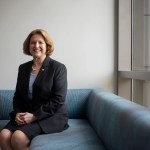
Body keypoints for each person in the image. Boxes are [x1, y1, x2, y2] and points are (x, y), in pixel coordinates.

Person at [0, 29, 69, 150]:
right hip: (27, 114)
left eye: (40, 42)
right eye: (33, 42)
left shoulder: (58, 68)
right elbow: (18, 96)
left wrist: (35, 116)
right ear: (28, 46)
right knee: (3, 135)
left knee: (18, 137)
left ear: (47, 46)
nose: (36, 46)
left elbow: (58, 99)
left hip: (50, 116)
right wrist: (17, 113)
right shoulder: (23, 68)